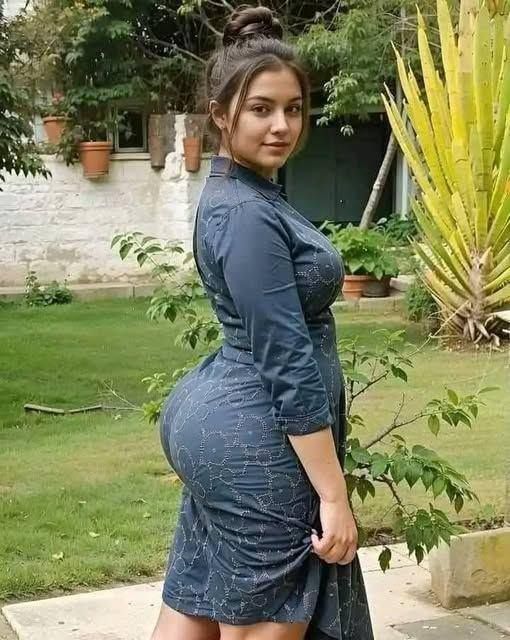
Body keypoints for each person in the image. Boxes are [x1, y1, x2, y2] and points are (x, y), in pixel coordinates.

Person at [151, 5, 374, 640]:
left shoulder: (243, 194)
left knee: (195, 607)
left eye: (294, 109)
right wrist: (333, 495)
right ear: (221, 114)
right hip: (258, 443)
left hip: (228, 426)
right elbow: (286, 360)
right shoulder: (247, 213)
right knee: (263, 623)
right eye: (261, 109)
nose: (282, 125)